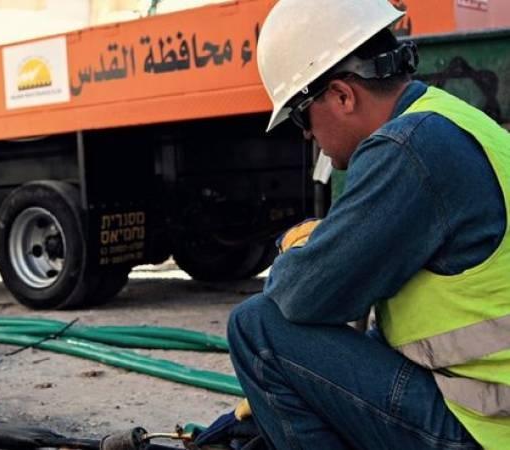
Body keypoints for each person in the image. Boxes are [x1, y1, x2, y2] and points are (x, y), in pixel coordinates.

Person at [194, 0, 510, 449]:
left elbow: (304, 296)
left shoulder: (407, 149)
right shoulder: (453, 121)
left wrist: (298, 251)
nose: (307, 134)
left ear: (343, 95)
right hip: (488, 411)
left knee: (257, 328)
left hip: (484, 430)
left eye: (301, 115)